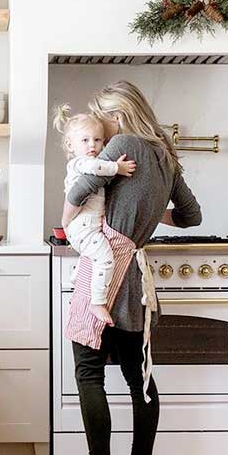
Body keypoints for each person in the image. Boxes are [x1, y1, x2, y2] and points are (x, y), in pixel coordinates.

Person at [61, 81, 202, 455]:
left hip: (106, 269)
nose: (100, 135)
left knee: (88, 373)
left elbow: (80, 187)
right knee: (138, 375)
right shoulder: (165, 154)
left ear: (117, 116)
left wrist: (67, 220)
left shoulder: (122, 142)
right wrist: (149, 216)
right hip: (136, 275)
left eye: (103, 121)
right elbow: (191, 216)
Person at [54, 104, 136, 325]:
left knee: (93, 257)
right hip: (83, 226)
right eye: (85, 140)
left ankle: (79, 276)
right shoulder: (79, 163)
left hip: (87, 226)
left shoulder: (87, 161)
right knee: (106, 259)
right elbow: (97, 168)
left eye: (98, 140)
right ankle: (97, 302)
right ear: (71, 145)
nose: (92, 145)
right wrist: (117, 168)